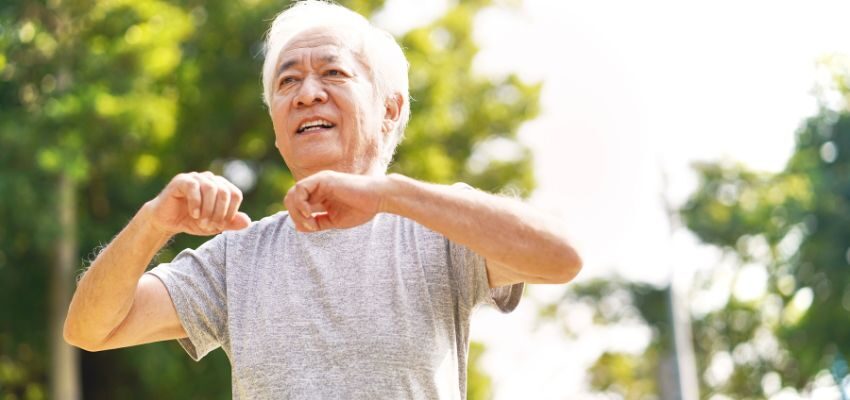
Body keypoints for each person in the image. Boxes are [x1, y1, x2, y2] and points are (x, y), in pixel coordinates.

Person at [63, 1, 582, 398]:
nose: (307, 93)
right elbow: (90, 329)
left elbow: (561, 258)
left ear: (390, 109)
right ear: (276, 128)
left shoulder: (440, 227)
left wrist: (387, 194)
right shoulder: (236, 257)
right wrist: (154, 222)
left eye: (333, 73)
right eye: (288, 81)